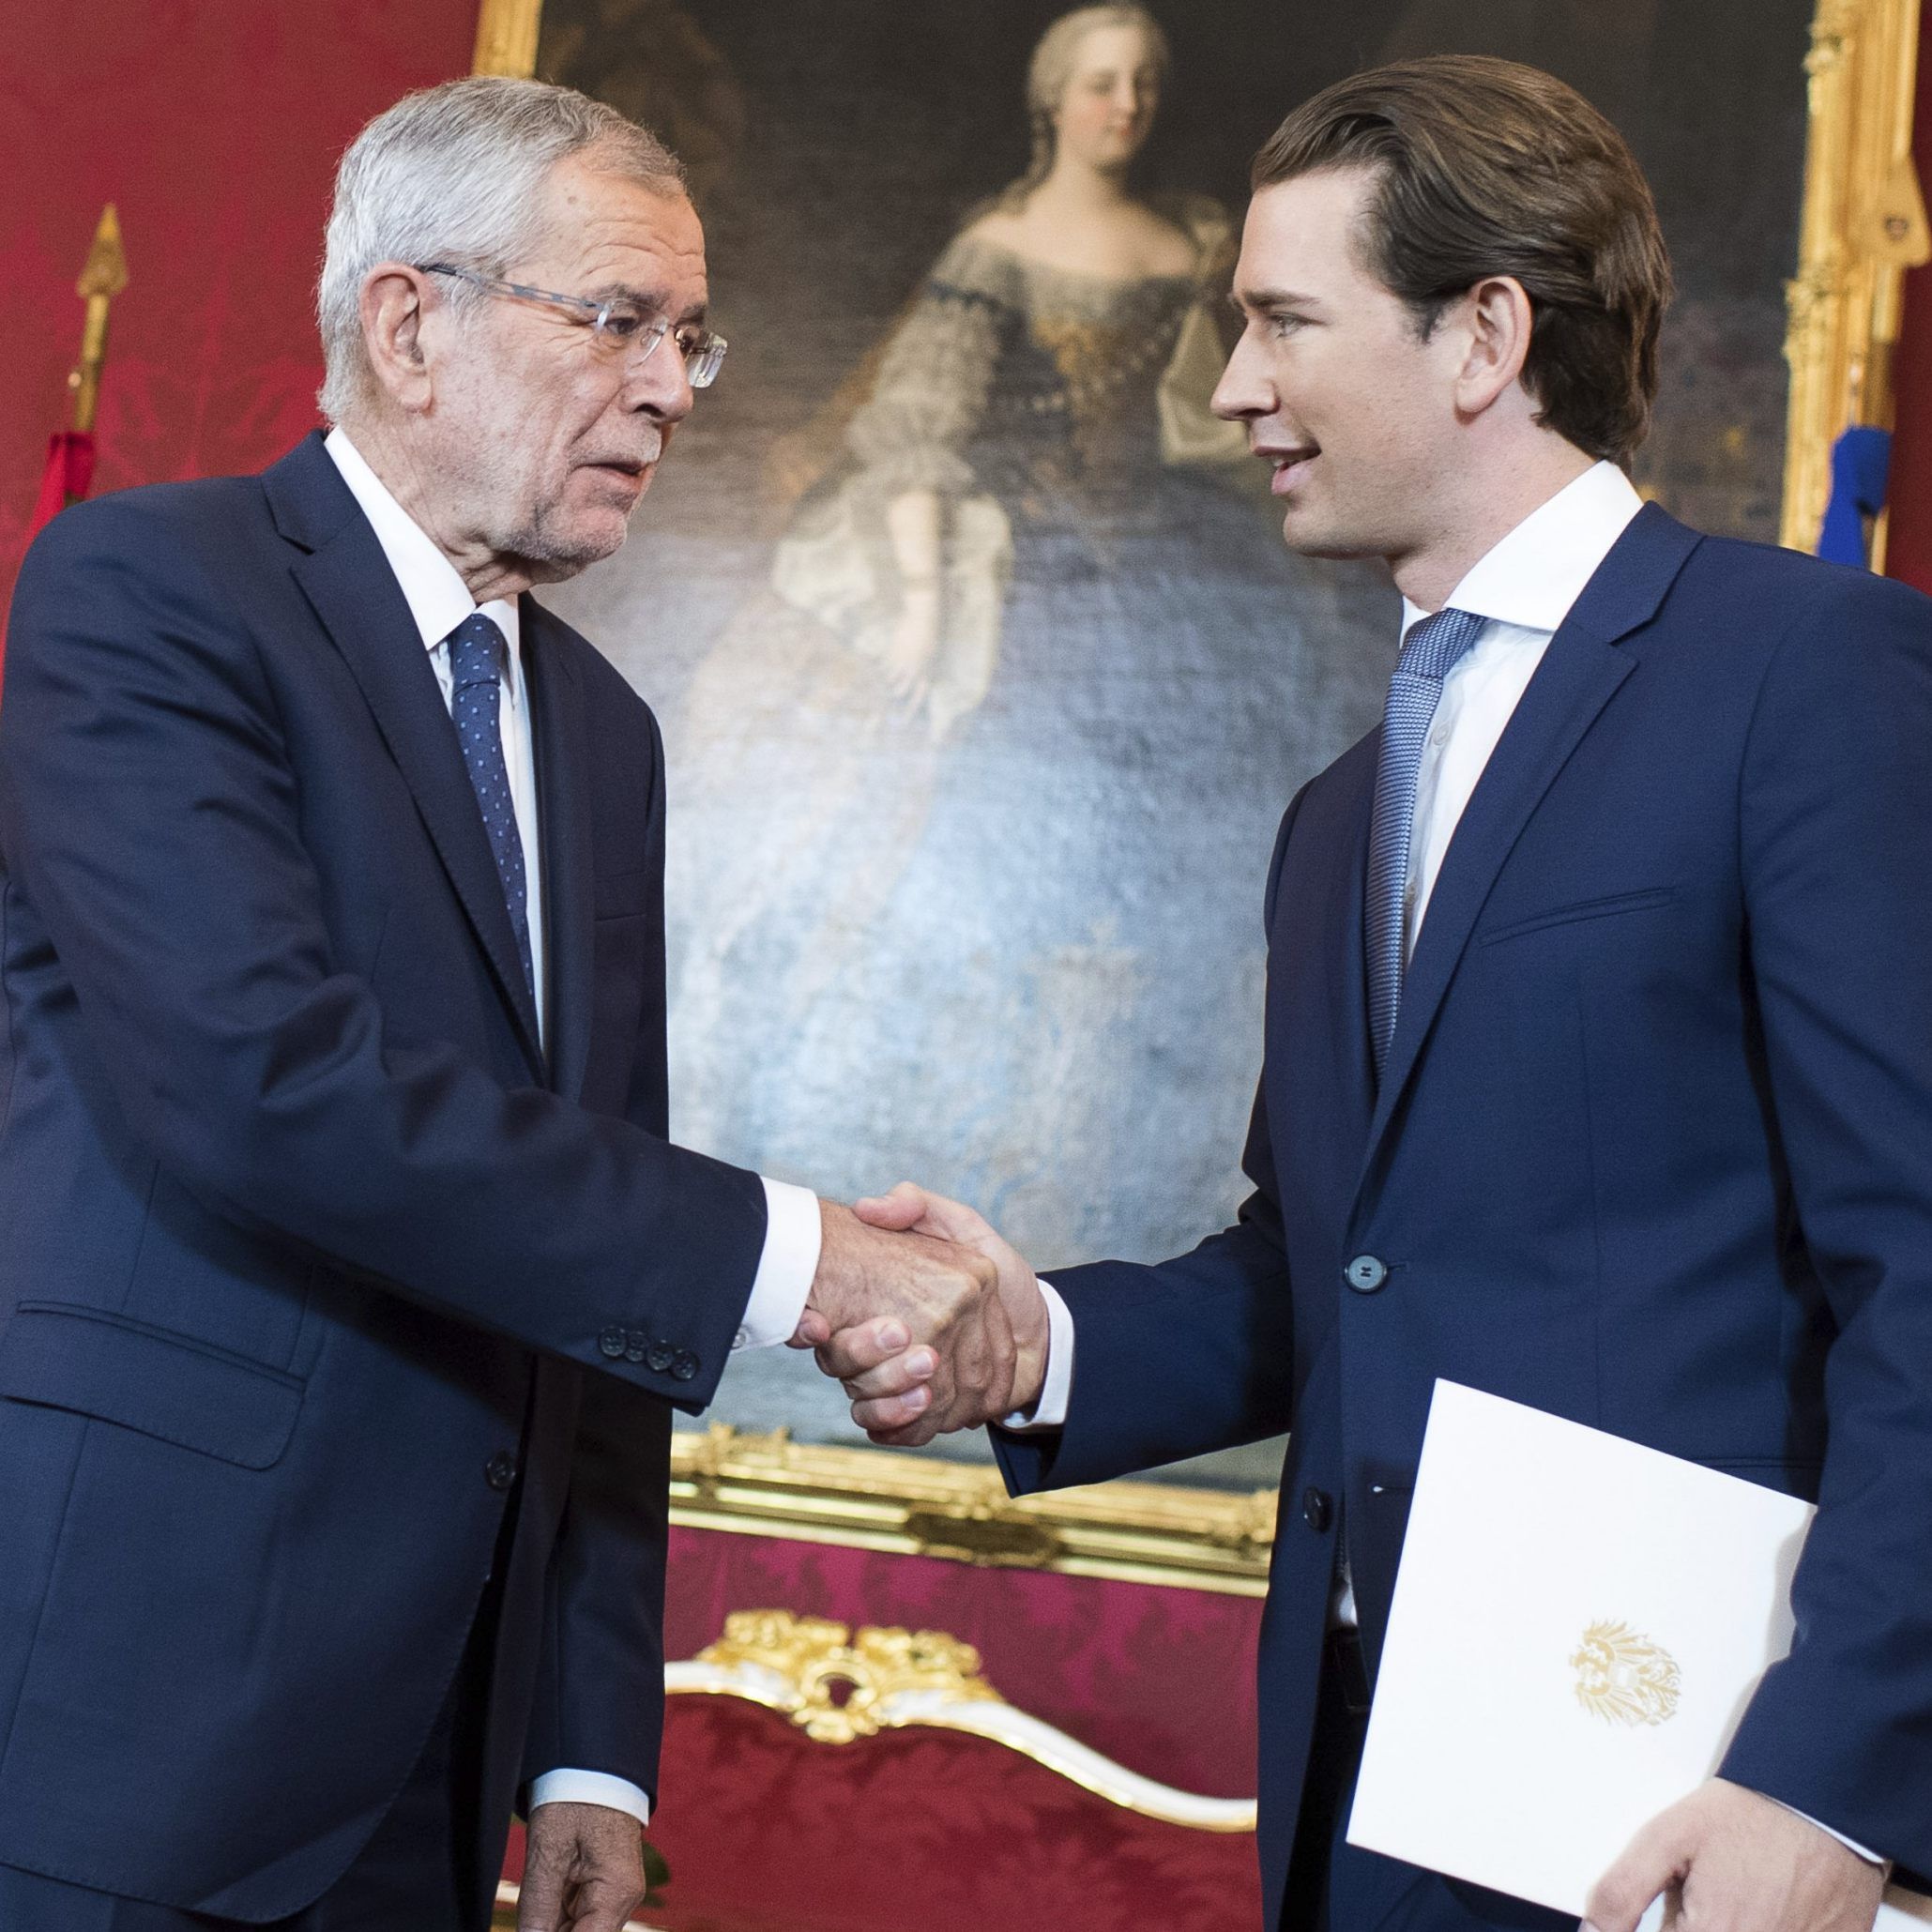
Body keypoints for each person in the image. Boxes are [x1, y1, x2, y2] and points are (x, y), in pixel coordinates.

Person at [814, 53, 1932, 1932]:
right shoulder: (1342, 813)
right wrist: (1036, 1345)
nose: (1234, 386)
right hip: (1365, 1797)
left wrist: (1828, 1778)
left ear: (1482, 334)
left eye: (1277, 322)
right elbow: (1329, 1265)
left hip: (1698, 1812)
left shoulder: (1804, 674)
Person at [0, 78, 1012, 1932]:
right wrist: (811, 1265)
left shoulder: (603, 735)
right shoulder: (149, 594)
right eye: (620, 320)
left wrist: (583, 1742)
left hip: (434, 1759)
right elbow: (268, 1081)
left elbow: (587, 1227)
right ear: (408, 324)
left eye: (690, 335)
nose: (677, 384)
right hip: (121, 1721)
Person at [665, 3, 1385, 1267]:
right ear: (1053, 99)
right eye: (1102, 83)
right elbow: (918, 433)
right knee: (948, 861)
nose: (1127, 106)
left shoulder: (1198, 243)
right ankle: (938, 1170)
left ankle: (1120, 1184)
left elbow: (1225, 413)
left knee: (1181, 892)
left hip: (1174, 592)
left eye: (1145, 83)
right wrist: (931, 600)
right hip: (1030, 589)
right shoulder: (998, 249)